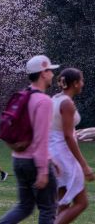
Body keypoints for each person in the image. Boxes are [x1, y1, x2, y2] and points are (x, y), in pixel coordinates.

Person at [0, 55, 59, 224]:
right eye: (50, 71)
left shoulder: (23, 96)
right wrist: (43, 170)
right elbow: (41, 139)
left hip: (19, 161)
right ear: (43, 73)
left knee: (24, 206)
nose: (53, 74)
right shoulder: (44, 101)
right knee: (48, 208)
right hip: (35, 162)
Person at [49, 68, 94, 224]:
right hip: (63, 154)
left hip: (55, 151)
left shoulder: (55, 99)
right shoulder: (67, 104)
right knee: (82, 203)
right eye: (81, 80)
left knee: (63, 203)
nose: (83, 83)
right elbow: (68, 136)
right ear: (74, 83)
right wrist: (84, 165)